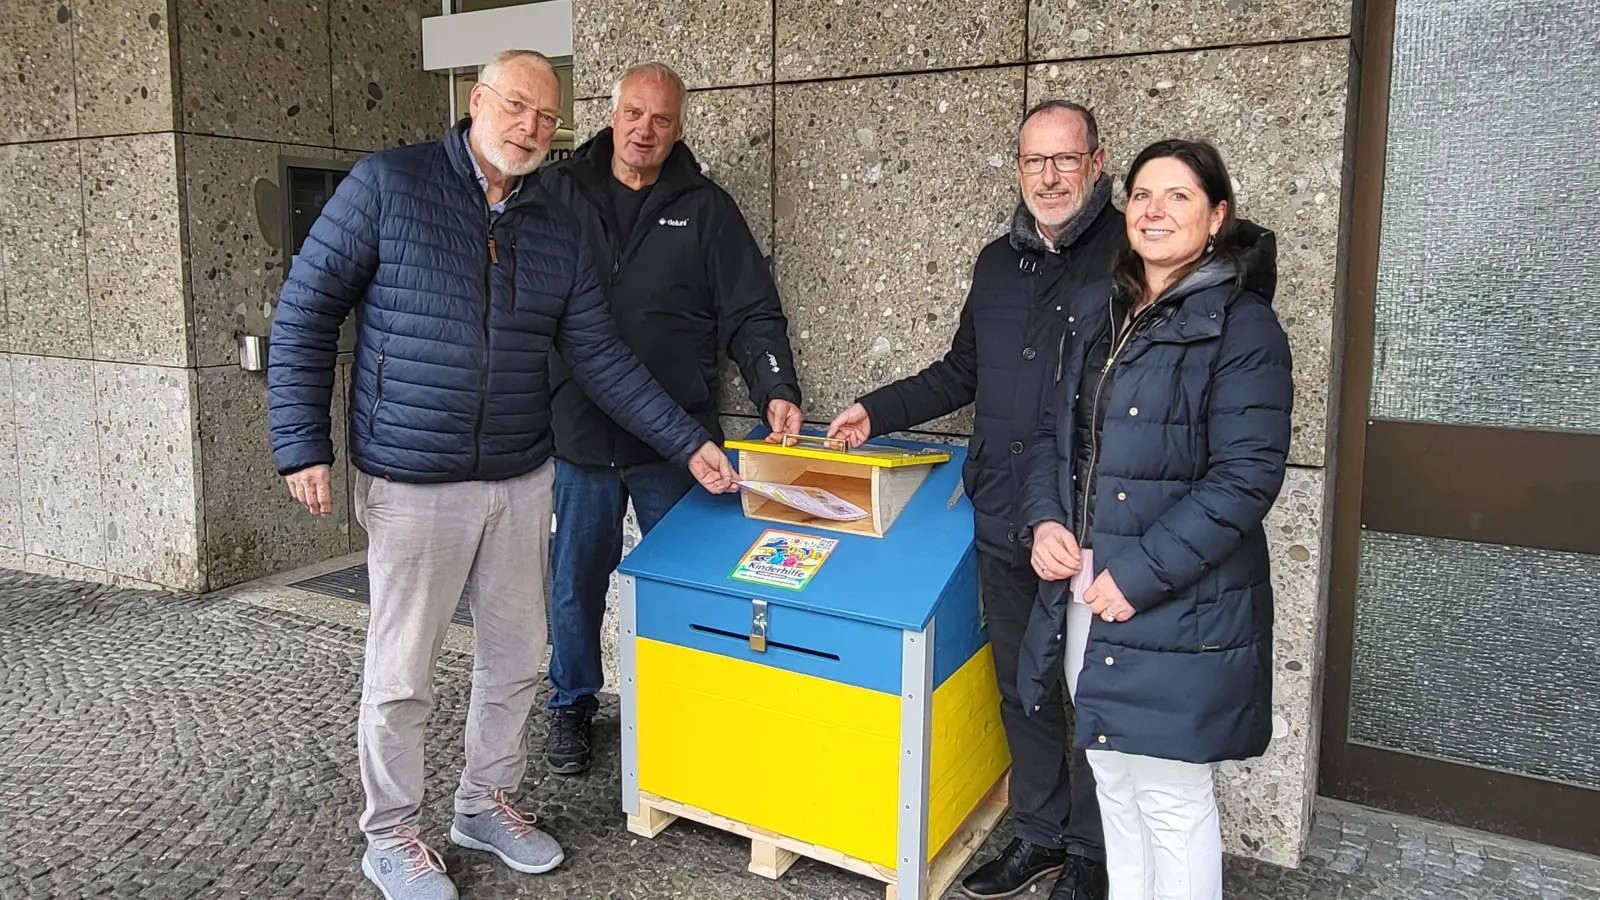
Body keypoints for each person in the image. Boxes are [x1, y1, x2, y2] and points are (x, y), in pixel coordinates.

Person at [267, 49, 740, 900]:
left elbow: (600, 355)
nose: (529, 128)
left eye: (545, 116)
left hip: (521, 475)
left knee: (520, 656)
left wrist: (686, 442)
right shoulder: (389, 185)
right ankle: (393, 834)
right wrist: (302, 442)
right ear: (475, 100)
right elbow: (306, 309)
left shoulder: (552, 222)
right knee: (403, 671)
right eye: (515, 107)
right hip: (414, 475)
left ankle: (484, 804)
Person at [827, 100, 1119, 900]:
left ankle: (1093, 853)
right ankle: (1039, 836)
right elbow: (963, 371)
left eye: (1065, 160)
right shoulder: (997, 262)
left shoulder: (1132, 256)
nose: (1050, 177)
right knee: (1021, 688)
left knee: (1094, 693)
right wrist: (875, 410)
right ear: (1018, 169)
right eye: (1035, 162)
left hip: (1094, 520)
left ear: (1097, 162)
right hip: (1003, 510)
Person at [1017, 139, 1292, 900]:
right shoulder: (1105, 314)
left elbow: (1245, 479)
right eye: (1142, 195)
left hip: (1177, 600)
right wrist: (1046, 521)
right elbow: (1054, 437)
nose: (1155, 210)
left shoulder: (1243, 329)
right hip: (1089, 592)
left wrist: (1135, 575)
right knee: (1111, 778)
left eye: (1178, 196)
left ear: (1218, 217)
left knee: (1171, 798)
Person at [537, 62, 802, 776]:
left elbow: (753, 311)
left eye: (661, 119)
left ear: (679, 126)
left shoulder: (707, 207)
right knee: (575, 582)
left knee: (694, 579)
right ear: (611, 113)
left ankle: (696, 703)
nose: (644, 131)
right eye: (633, 114)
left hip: (677, 441)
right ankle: (571, 707)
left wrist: (776, 384)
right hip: (582, 433)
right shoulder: (557, 191)